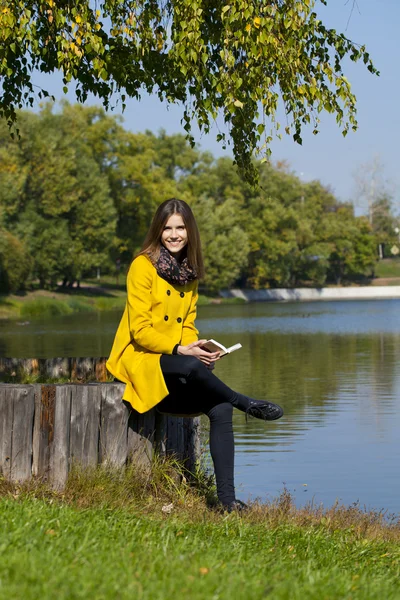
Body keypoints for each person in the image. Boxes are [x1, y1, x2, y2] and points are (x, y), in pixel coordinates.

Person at [106, 198, 283, 511]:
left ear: (190, 232)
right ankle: (245, 402)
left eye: (180, 228)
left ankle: (227, 503)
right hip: (140, 361)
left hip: (177, 366)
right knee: (190, 365)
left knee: (219, 407)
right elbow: (140, 331)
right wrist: (181, 350)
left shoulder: (189, 273)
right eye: (167, 228)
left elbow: (187, 325)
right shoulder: (142, 267)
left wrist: (199, 348)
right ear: (158, 231)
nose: (174, 235)